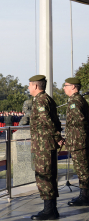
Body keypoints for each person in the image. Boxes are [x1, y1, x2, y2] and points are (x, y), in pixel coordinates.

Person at [28, 75, 64, 220]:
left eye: (30, 85)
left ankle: (49, 211)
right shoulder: (47, 99)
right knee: (49, 176)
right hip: (45, 144)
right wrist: (57, 137)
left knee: (44, 177)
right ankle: (52, 209)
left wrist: (57, 137)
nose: (29, 88)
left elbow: (47, 122)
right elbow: (55, 121)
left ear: (36, 86)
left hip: (43, 145)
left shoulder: (40, 101)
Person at [62, 77, 89, 206]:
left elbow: (79, 120)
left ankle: (85, 196)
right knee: (82, 168)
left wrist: (72, 136)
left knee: (82, 169)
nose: (63, 88)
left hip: (78, 141)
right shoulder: (77, 100)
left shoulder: (75, 101)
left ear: (73, 87)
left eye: (66, 85)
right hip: (78, 140)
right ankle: (84, 195)